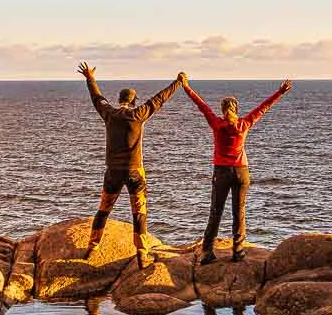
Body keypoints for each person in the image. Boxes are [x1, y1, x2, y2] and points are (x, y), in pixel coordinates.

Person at [78, 62, 184, 267]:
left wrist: (90, 77)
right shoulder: (139, 114)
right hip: (135, 172)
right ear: (134, 101)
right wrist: (178, 82)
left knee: (103, 210)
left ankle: (92, 248)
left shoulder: (109, 113)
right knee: (139, 213)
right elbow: (159, 99)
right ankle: (142, 254)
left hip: (113, 172)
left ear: (119, 100)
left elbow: (97, 98)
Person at [183, 78, 291, 263]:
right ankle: (238, 252)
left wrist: (186, 86)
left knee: (216, 212)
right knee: (238, 212)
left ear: (222, 109)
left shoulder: (217, 124)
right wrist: (280, 92)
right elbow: (263, 107)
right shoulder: (244, 124)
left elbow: (201, 105)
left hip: (222, 172)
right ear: (236, 108)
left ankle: (207, 252)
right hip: (241, 172)